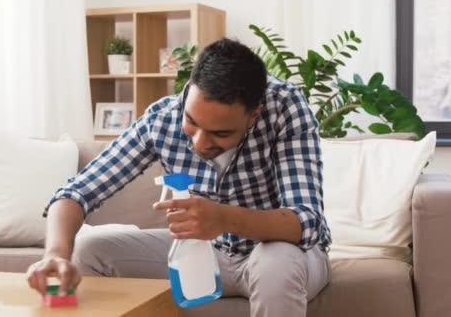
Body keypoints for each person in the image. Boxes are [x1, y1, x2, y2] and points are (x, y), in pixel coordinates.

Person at [26, 38, 332, 316]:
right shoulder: (162, 118)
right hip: (207, 254)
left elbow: (305, 221)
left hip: (283, 253)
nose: (200, 143)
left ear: (254, 115)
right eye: (191, 122)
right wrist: (55, 255)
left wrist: (224, 218)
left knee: (274, 266)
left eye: (221, 133)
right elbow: (77, 193)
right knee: (92, 250)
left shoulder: (285, 107)